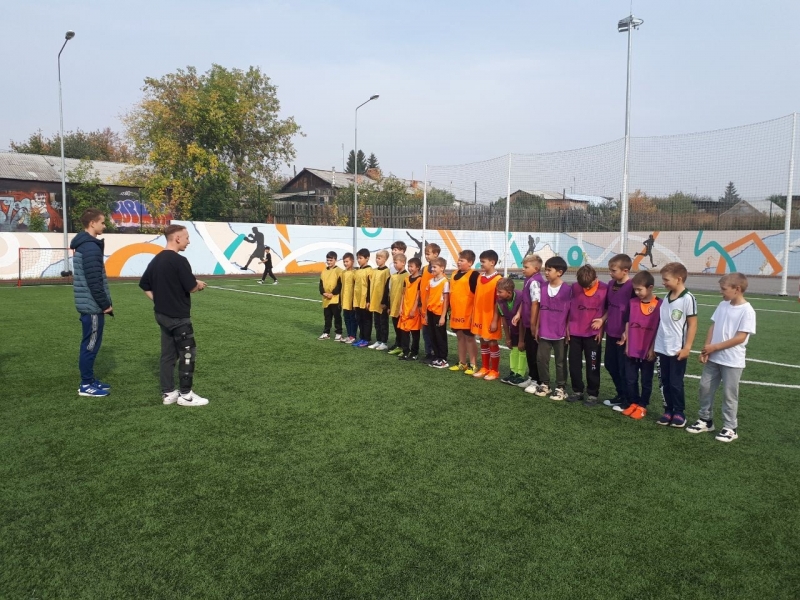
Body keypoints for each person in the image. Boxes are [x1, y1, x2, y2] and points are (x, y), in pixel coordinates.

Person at [139, 224, 209, 407]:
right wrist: (198, 285)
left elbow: (144, 285)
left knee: (168, 354)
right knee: (188, 353)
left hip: (162, 315)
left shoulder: (156, 260)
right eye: (187, 237)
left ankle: (168, 392)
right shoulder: (179, 261)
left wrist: (159, 302)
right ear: (177, 238)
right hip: (178, 317)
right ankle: (186, 395)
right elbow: (191, 287)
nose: (188, 241)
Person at [687, 273, 756, 442]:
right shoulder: (723, 305)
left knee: (729, 394)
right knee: (705, 387)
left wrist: (715, 347)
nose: (721, 292)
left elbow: (741, 337)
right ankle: (705, 420)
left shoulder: (747, 311)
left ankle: (730, 427)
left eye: (724, 289)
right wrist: (707, 349)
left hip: (732, 361)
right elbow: (714, 326)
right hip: (714, 358)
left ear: (737, 289)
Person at [71, 208, 113, 397]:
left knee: (90, 343)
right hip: (92, 306)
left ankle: (90, 380)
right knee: (90, 345)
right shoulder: (90, 247)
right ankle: (86, 384)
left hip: (89, 304)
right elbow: (94, 281)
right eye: (102, 222)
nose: (104, 225)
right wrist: (105, 305)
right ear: (92, 223)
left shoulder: (85, 245)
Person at [653, 262, 698, 428]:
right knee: (664, 381)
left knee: (675, 382)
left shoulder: (688, 298)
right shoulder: (666, 297)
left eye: (666, 279)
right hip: (661, 347)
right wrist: (655, 345)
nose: (663, 282)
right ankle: (668, 410)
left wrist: (687, 347)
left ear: (678, 279)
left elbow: (692, 325)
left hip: (677, 349)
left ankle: (679, 412)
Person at [618, 271, 661, 420]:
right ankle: (634, 402)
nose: (636, 292)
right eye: (635, 289)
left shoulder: (660, 304)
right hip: (632, 348)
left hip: (648, 349)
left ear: (650, 287)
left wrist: (652, 348)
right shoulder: (632, 303)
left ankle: (643, 405)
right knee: (630, 378)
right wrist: (627, 344)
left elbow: (659, 329)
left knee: (646, 380)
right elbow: (628, 323)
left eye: (639, 289)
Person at [596, 254, 635, 409]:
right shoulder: (611, 284)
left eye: (613, 270)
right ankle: (620, 394)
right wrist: (602, 320)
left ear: (625, 271)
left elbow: (634, 312)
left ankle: (628, 400)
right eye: (610, 270)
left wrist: (627, 332)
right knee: (610, 365)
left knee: (624, 369)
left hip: (624, 335)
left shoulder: (632, 287)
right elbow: (609, 307)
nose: (610, 273)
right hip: (611, 332)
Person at [566, 264, 607, 406]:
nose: (587, 288)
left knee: (593, 365)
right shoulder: (574, 287)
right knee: (574, 364)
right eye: (583, 286)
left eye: (589, 285)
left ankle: (592, 394)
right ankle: (577, 391)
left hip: (592, 334)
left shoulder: (604, 288)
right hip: (575, 333)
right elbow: (568, 308)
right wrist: (567, 326)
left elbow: (608, 310)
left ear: (596, 278)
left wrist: (601, 325)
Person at [532, 256, 572, 400]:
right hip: (544, 331)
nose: (546, 273)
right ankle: (545, 384)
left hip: (560, 332)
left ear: (559, 272)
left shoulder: (567, 289)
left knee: (560, 362)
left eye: (549, 270)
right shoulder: (543, 287)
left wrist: (568, 328)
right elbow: (540, 309)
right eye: (546, 270)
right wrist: (537, 327)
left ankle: (561, 387)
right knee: (541, 359)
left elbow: (570, 312)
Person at [470, 250, 502, 381]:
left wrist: (495, 320)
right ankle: (485, 367)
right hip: (479, 316)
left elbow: (498, 302)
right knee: (483, 340)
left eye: (483, 261)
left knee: (492, 341)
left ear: (492, 262)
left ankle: (494, 370)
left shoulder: (498, 280)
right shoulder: (479, 277)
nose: (481, 264)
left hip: (490, 317)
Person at [517, 254, 546, 393]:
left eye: (526, 267)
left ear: (536, 268)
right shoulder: (528, 280)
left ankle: (537, 381)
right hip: (528, 323)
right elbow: (525, 301)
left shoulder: (535, 281)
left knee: (535, 353)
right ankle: (532, 377)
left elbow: (536, 303)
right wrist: (519, 314)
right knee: (530, 351)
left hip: (533, 324)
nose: (523, 269)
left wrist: (534, 324)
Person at [448, 249, 480, 373]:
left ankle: (473, 364)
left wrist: (475, 313)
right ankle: (462, 362)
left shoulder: (474, 275)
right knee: (460, 337)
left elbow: (477, 296)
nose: (458, 262)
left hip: (468, 313)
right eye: (458, 260)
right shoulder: (454, 273)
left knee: (470, 338)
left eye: (462, 260)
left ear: (470, 263)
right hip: (456, 312)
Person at [496, 277, 525, 385]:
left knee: (522, 350)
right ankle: (513, 372)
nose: (497, 294)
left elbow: (522, 320)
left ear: (509, 292)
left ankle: (520, 374)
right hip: (513, 329)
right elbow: (503, 319)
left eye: (500, 292)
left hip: (523, 330)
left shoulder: (520, 297)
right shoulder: (500, 301)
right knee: (513, 349)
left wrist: (521, 340)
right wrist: (508, 338)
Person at [423, 257, 450, 368]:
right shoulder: (430, 282)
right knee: (432, 335)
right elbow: (428, 298)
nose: (432, 269)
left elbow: (446, 300)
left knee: (440, 336)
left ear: (442, 268)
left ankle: (443, 358)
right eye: (431, 267)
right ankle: (436, 356)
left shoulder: (445, 282)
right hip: (430, 311)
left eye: (435, 267)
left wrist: (443, 316)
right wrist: (426, 313)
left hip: (439, 313)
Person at [397, 257, 423, 360]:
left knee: (415, 332)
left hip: (414, 310)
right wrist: (400, 307)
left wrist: (414, 309)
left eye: (412, 266)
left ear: (418, 267)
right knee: (404, 332)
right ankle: (405, 351)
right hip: (405, 309)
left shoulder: (420, 280)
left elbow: (418, 296)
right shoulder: (406, 279)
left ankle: (414, 352)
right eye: (409, 266)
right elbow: (403, 294)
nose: (410, 268)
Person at [419, 243, 441, 363]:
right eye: (426, 254)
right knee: (426, 331)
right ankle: (428, 353)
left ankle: (435, 353)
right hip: (424, 305)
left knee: (433, 331)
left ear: (436, 254)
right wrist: (419, 302)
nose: (426, 256)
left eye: (428, 254)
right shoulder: (424, 269)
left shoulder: (438, 270)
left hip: (433, 306)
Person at [368, 250, 392, 350]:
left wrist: (384, 302)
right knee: (377, 322)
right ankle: (378, 340)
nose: (377, 260)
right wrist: (369, 300)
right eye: (376, 258)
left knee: (383, 323)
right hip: (374, 301)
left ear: (385, 259)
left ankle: (384, 342)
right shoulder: (374, 271)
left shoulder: (387, 272)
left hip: (382, 303)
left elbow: (387, 288)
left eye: (379, 258)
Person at [387, 253, 409, 355]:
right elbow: (390, 291)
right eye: (394, 263)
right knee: (396, 327)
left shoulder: (407, 276)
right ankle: (399, 345)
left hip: (402, 307)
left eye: (396, 262)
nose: (395, 265)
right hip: (393, 306)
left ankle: (405, 348)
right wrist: (389, 305)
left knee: (403, 329)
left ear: (403, 263)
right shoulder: (393, 276)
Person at [318, 251, 343, 341]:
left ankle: (338, 333)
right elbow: (321, 284)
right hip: (326, 298)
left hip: (335, 298)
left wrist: (333, 293)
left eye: (331, 260)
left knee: (337, 316)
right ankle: (326, 333)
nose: (329, 262)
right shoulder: (324, 271)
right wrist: (323, 292)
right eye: (327, 260)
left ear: (335, 260)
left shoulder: (339, 271)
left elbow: (340, 284)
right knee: (327, 317)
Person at [351, 248, 373, 348]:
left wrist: (368, 300)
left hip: (365, 300)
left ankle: (366, 339)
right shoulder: (357, 271)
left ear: (367, 258)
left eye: (361, 258)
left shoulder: (370, 271)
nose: (359, 260)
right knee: (359, 319)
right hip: (357, 300)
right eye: (358, 258)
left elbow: (370, 287)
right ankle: (362, 338)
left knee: (366, 320)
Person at [340, 252, 357, 343]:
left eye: (347, 261)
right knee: (346, 318)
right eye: (344, 262)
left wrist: (354, 300)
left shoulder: (355, 273)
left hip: (352, 300)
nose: (345, 263)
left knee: (352, 318)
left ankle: (353, 336)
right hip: (344, 300)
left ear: (352, 261)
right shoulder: (343, 273)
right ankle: (349, 335)